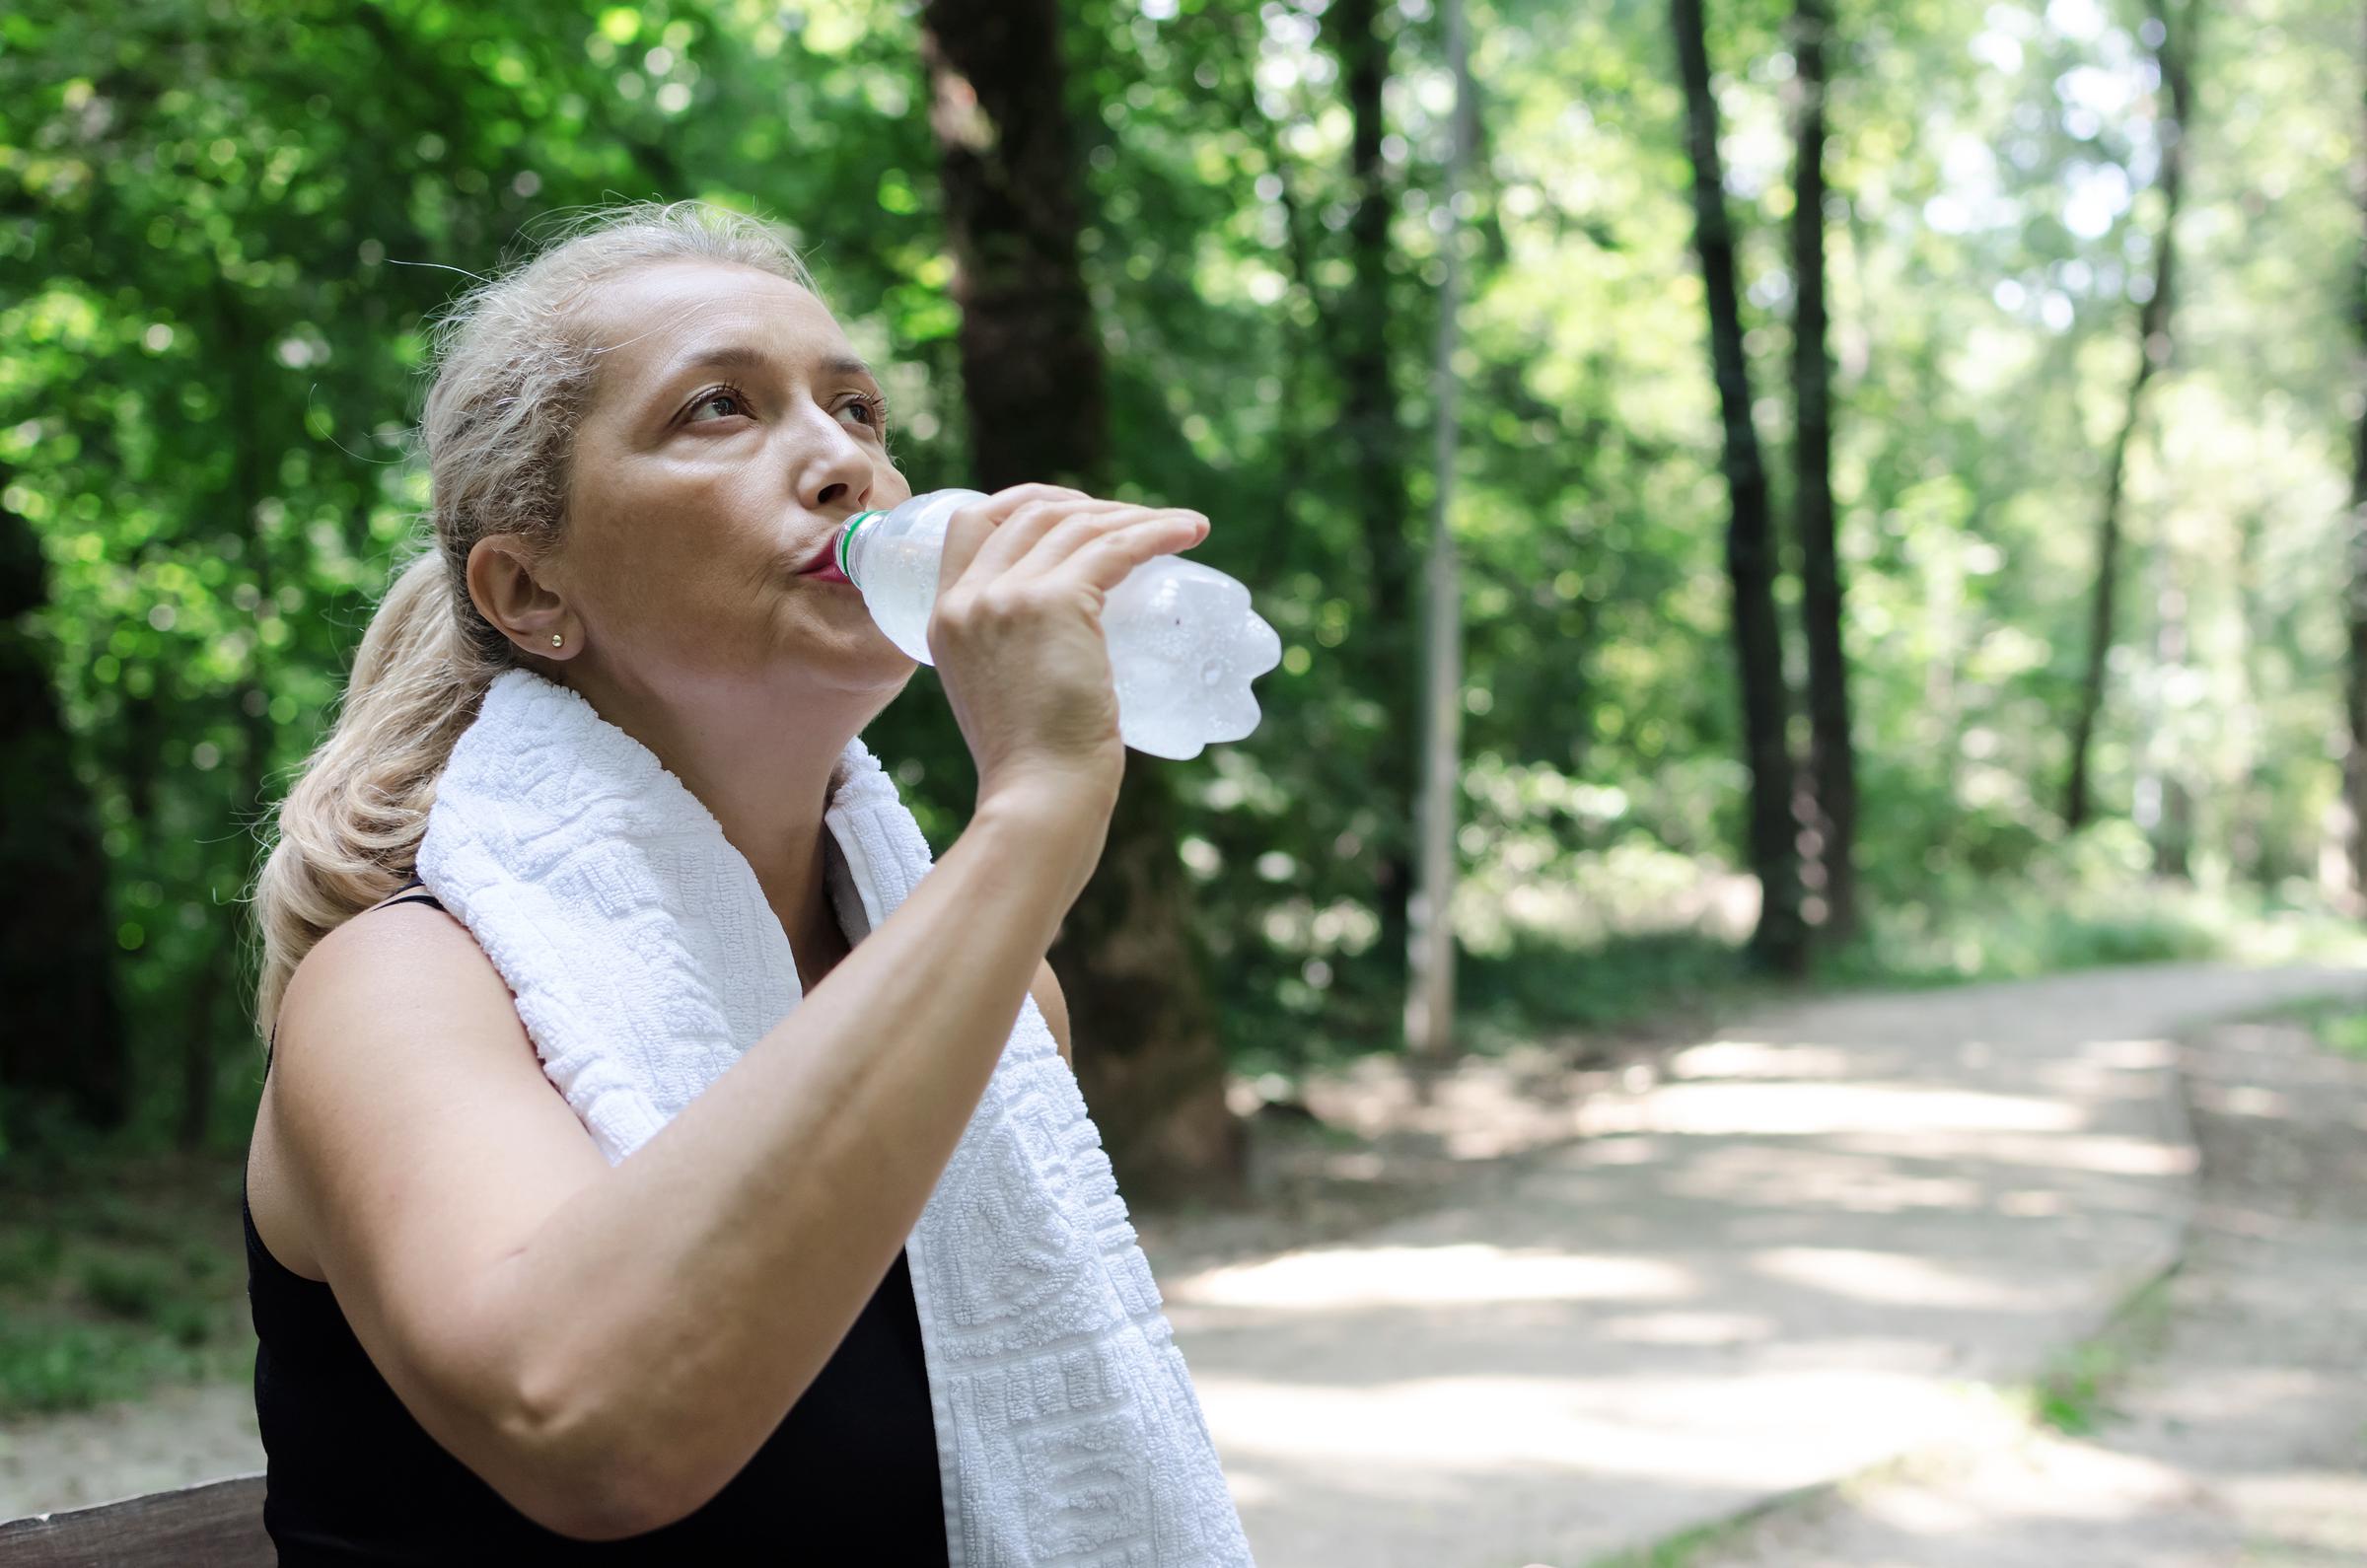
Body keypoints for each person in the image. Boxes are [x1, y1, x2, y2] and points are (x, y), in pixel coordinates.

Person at [242, 199, 1216, 1561]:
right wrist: (1035, 810)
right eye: (718, 408)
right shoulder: (402, 989)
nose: (842, 463)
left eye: (860, 411)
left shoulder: (998, 1000)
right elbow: (592, 1428)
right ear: (530, 591)